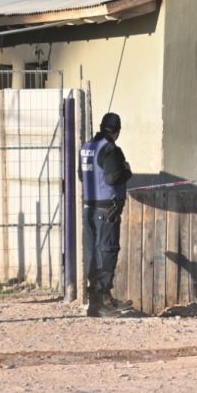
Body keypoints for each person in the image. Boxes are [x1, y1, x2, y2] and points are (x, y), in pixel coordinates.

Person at [80, 111, 132, 317]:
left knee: (94, 252)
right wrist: (127, 171)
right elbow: (113, 178)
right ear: (117, 131)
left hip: (89, 207)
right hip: (106, 209)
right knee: (107, 251)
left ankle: (103, 298)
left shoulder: (86, 148)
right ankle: (99, 304)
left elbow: (81, 176)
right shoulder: (111, 149)